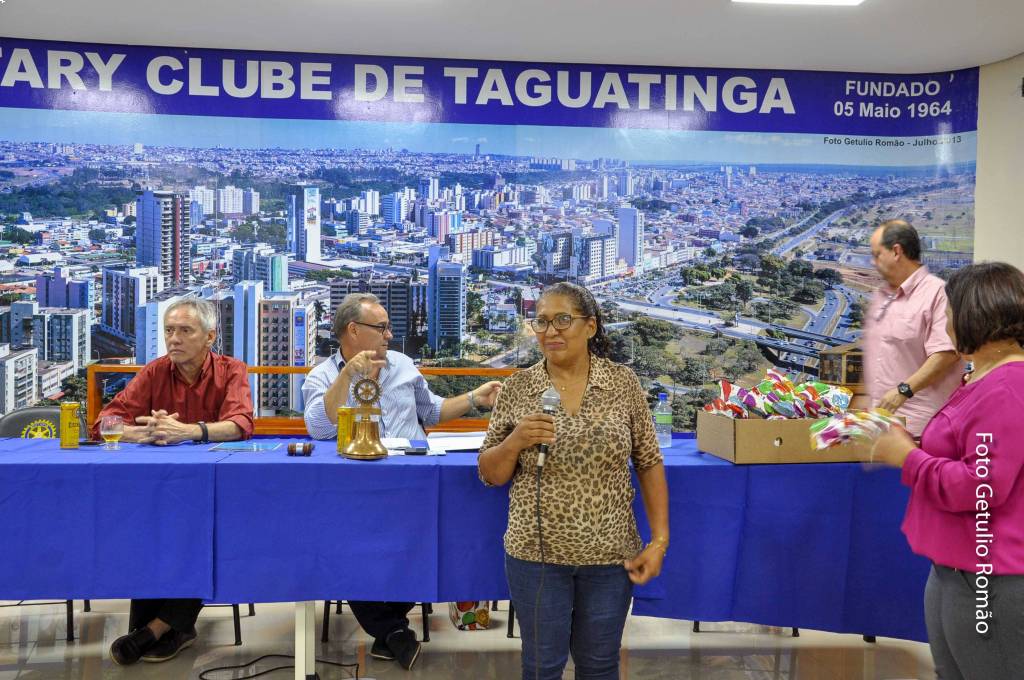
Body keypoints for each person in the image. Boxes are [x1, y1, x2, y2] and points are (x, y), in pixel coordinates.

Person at [478, 282, 669, 680]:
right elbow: (490, 474)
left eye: (563, 320)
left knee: (599, 665)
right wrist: (515, 442)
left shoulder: (622, 383)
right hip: (536, 556)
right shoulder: (518, 388)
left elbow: (649, 461)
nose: (551, 331)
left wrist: (659, 542)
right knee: (542, 667)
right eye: (542, 322)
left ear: (590, 326)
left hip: (610, 558)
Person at [302, 292, 501, 670]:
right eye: (382, 328)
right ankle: (394, 631)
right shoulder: (322, 375)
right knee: (347, 550)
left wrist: (476, 397)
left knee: (436, 540)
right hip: (357, 496)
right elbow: (318, 427)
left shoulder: (404, 365)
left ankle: (389, 630)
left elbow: (432, 411)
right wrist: (348, 375)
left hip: (415, 488)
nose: (389, 335)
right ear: (353, 330)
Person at [871, 262, 1024, 679]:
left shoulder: (1008, 387)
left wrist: (907, 457)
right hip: (956, 571)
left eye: (948, 313)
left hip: (988, 579)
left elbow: (980, 487)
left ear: (973, 316)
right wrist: (909, 444)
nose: (945, 325)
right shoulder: (984, 379)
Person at [95, 298, 254, 665]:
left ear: (210, 337)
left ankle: (155, 629)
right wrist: (143, 433)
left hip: (214, 492)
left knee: (206, 537)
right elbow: (105, 422)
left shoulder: (231, 370)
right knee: (148, 532)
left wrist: (189, 431)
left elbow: (241, 424)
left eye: (185, 331)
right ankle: (168, 628)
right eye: (169, 330)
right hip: (161, 492)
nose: (174, 339)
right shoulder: (155, 371)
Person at [863, 219, 962, 435]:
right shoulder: (881, 296)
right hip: (881, 425)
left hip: (920, 428)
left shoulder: (937, 293)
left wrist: (903, 391)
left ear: (896, 251)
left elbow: (946, 354)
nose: (872, 262)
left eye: (877, 254)